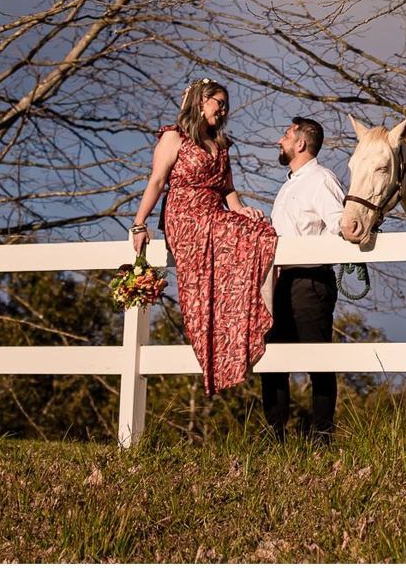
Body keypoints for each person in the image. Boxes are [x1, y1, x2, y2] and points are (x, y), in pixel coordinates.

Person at [130, 79, 278, 395]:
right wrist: (139, 223)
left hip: (215, 211)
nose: (223, 110)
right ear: (200, 101)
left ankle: (245, 320)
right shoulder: (174, 138)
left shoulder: (221, 145)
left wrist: (242, 210)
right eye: (217, 103)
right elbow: (157, 181)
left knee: (259, 231)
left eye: (226, 105)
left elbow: (228, 191)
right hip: (184, 213)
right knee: (235, 238)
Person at [262, 115, 346, 443]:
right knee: (273, 354)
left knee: (317, 357)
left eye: (286, 135)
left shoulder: (322, 179)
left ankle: (322, 434)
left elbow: (339, 222)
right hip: (281, 281)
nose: (280, 141)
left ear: (300, 143)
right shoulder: (288, 185)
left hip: (311, 280)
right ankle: (275, 431)